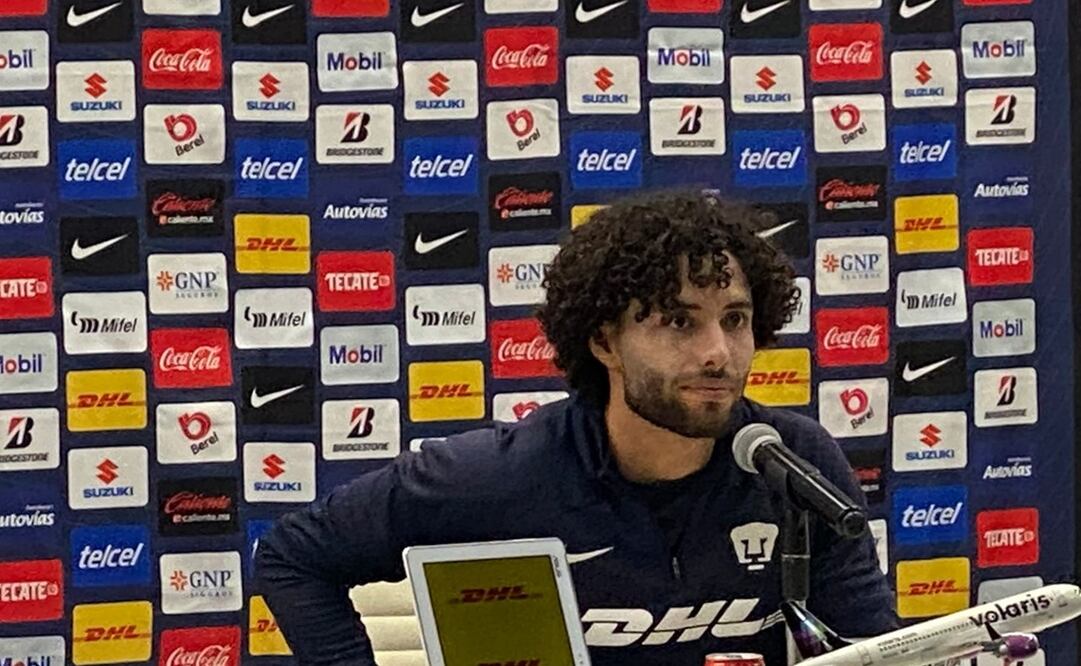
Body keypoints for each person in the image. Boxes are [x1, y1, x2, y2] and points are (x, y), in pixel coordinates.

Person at [255, 190, 897, 666]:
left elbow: (872, 646)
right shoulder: (501, 476)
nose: (718, 353)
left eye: (734, 320)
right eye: (679, 322)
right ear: (604, 342)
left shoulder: (792, 463)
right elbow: (293, 555)